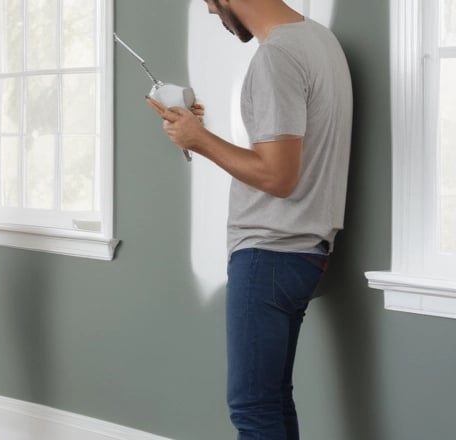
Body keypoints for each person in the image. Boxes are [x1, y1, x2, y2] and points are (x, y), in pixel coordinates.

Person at [147, 1, 352, 439]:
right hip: (304, 252)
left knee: (253, 408)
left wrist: (199, 140)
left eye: (207, 1)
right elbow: (290, 155)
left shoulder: (277, 56)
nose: (208, 11)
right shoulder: (319, 41)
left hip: (269, 253)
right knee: (272, 401)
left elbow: (279, 176)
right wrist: (200, 133)